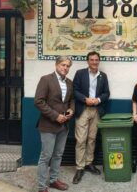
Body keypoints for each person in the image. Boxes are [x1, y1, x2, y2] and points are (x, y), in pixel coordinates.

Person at [34, 56, 74, 192]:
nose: (65, 68)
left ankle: (53, 180)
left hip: (64, 125)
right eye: (63, 65)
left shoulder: (69, 82)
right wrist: (55, 116)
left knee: (58, 154)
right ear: (56, 65)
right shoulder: (46, 80)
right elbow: (38, 101)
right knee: (46, 156)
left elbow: (71, 100)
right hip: (48, 125)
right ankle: (41, 186)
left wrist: (71, 110)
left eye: (68, 66)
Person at [72, 51, 110, 184]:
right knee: (81, 139)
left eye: (96, 60)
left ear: (99, 61)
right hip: (83, 109)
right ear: (88, 61)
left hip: (96, 110)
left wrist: (98, 100)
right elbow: (74, 90)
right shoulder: (80, 73)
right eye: (92, 60)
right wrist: (85, 99)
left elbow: (106, 93)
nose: (94, 62)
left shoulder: (103, 76)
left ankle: (89, 163)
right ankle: (80, 167)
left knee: (92, 139)